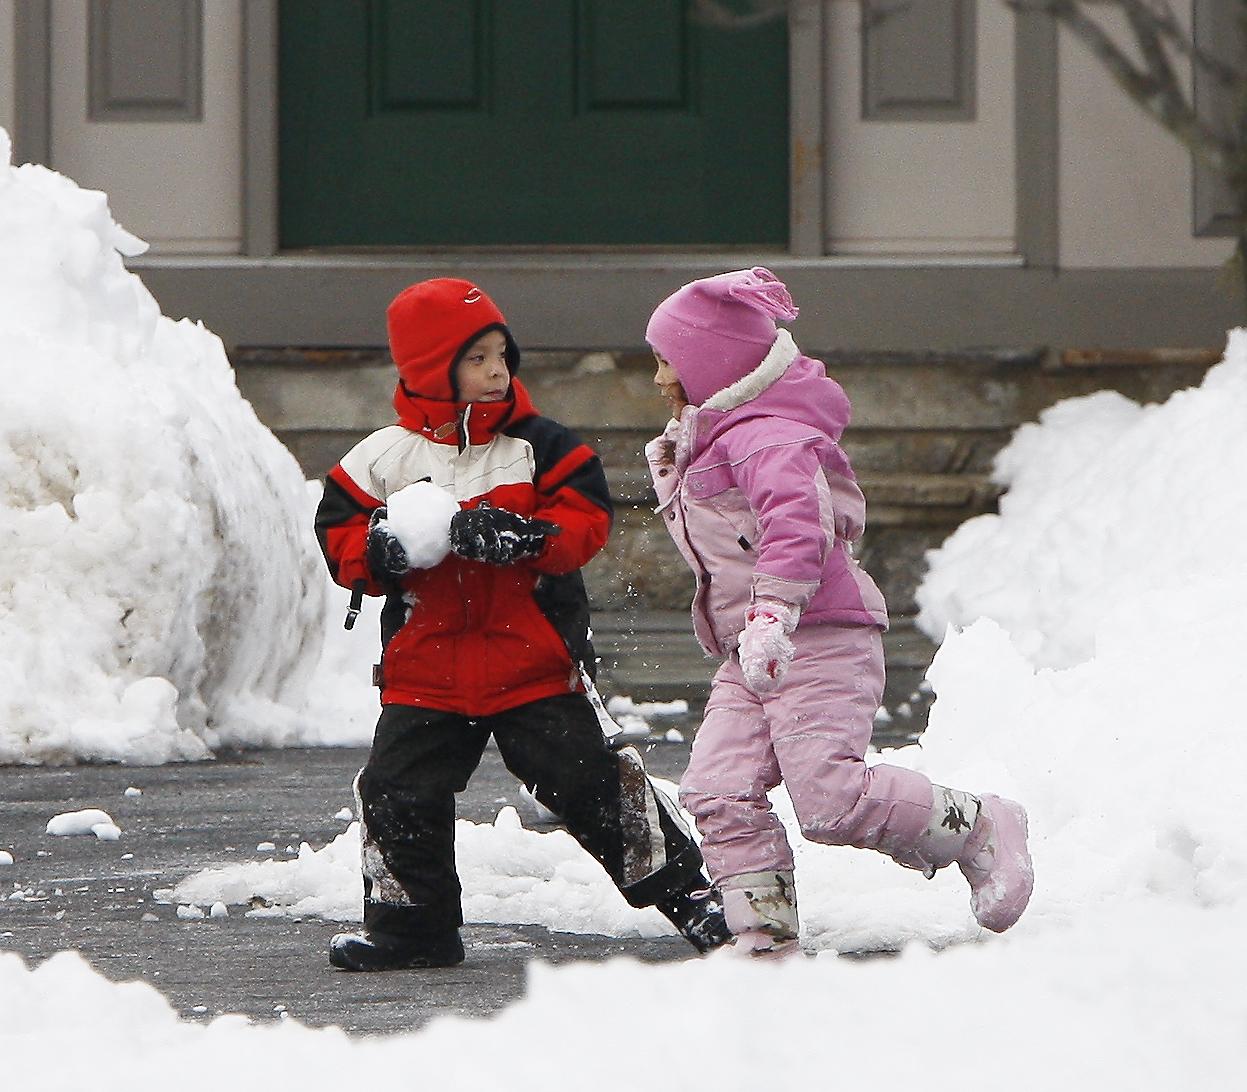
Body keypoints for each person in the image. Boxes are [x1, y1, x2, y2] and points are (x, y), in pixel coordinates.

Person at [315, 278, 730, 970]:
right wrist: (379, 553)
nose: (496, 372)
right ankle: (410, 928)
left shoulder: (540, 446)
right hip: (425, 668)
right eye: (474, 359)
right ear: (428, 368)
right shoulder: (379, 459)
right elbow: (338, 539)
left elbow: (586, 524)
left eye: (502, 355)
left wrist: (525, 537)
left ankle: (692, 898)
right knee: (395, 791)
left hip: (533, 662)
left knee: (594, 783)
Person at [643, 267, 1034, 956]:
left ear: (710, 362)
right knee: (717, 787)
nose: (656, 380)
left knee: (829, 802)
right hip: (755, 646)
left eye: (665, 362)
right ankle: (761, 937)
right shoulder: (717, 436)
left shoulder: (767, 437)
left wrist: (770, 615)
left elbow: (798, 526)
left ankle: (978, 826)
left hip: (815, 635)